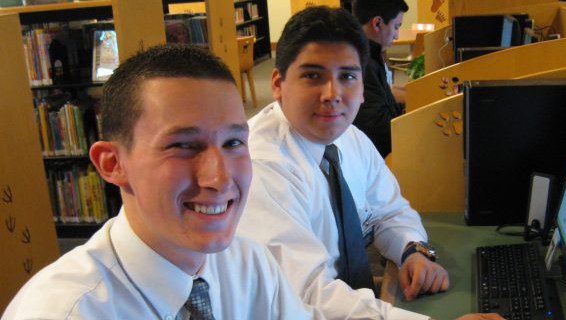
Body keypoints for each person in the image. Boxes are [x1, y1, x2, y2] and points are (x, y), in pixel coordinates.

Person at [2, 44, 320, 320]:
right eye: (183, 146)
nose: (220, 178)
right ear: (112, 164)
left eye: (233, 143)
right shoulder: (65, 312)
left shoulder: (251, 266)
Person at [237, 6, 502, 320]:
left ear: (363, 87)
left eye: (347, 76)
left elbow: (388, 209)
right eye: (312, 75)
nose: (332, 94)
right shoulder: (259, 167)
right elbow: (305, 296)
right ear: (278, 84)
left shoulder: (347, 136)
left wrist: (412, 252)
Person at [352, 0, 409, 158]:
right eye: (396, 26)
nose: (397, 35)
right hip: (376, 156)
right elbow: (377, 129)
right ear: (377, 23)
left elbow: (385, 103)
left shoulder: (371, 55)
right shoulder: (363, 62)